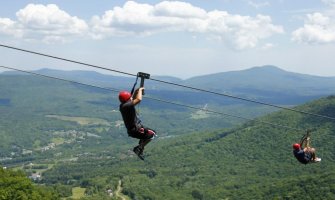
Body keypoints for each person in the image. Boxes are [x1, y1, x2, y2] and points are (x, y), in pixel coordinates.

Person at [119, 87, 156, 160]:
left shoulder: (123, 105)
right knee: (152, 134)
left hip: (133, 130)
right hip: (136, 129)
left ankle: (140, 147)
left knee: (150, 134)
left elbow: (132, 99)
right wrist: (140, 90)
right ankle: (139, 148)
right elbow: (138, 99)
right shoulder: (127, 106)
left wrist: (136, 92)